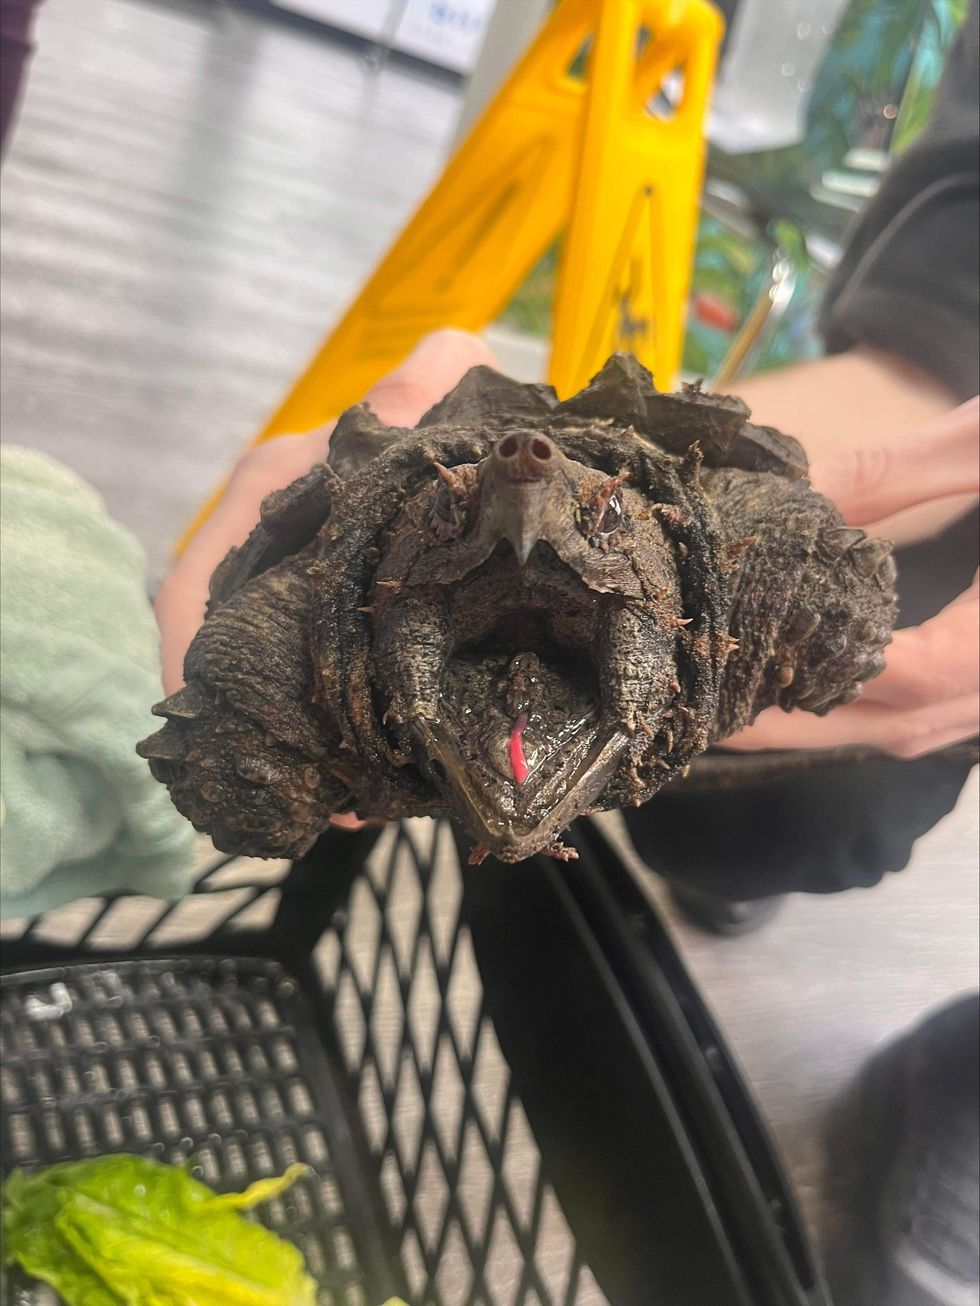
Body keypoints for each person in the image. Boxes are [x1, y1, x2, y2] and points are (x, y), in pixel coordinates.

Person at [155, 6, 978, 1304]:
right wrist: (240, 726)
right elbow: (952, 319)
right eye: (465, 530)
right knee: (817, 767)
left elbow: (831, 582)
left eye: (585, 527)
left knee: (832, 807)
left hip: (699, 570)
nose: (528, 528)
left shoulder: (750, 570)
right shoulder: (321, 623)